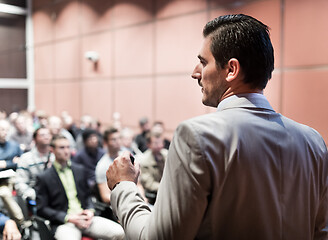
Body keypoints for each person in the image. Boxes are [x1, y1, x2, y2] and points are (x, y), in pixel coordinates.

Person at [106, 14, 328, 239]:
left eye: (203, 62)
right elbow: (321, 232)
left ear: (231, 69)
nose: (195, 73)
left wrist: (123, 187)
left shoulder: (196, 137)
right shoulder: (313, 141)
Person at [35, 135, 124, 240]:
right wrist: (68, 218)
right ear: (52, 150)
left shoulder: (79, 170)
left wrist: (90, 210)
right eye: (62, 148)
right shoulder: (44, 177)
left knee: (120, 232)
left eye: (68, 147)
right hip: (65, 223)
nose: (66, 151)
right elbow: (42, 209)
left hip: (86, 218)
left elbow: (88, 196)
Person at [15, 127, 53, 201]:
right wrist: (34, 195)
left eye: (48, 134)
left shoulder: (55, 156)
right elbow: (20, 183)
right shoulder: (26, 158)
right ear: (35, 139)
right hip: (35, 195)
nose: (46, 137)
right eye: (42, 135)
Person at [137, 131, 168, 204]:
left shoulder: (166, 154)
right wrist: (166, 187)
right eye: (156, 143)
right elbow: (149, 184)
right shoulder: (144, 161)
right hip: (154, 195)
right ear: (148, 144)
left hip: (166, 191)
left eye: (161, 142)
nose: (159, 145)